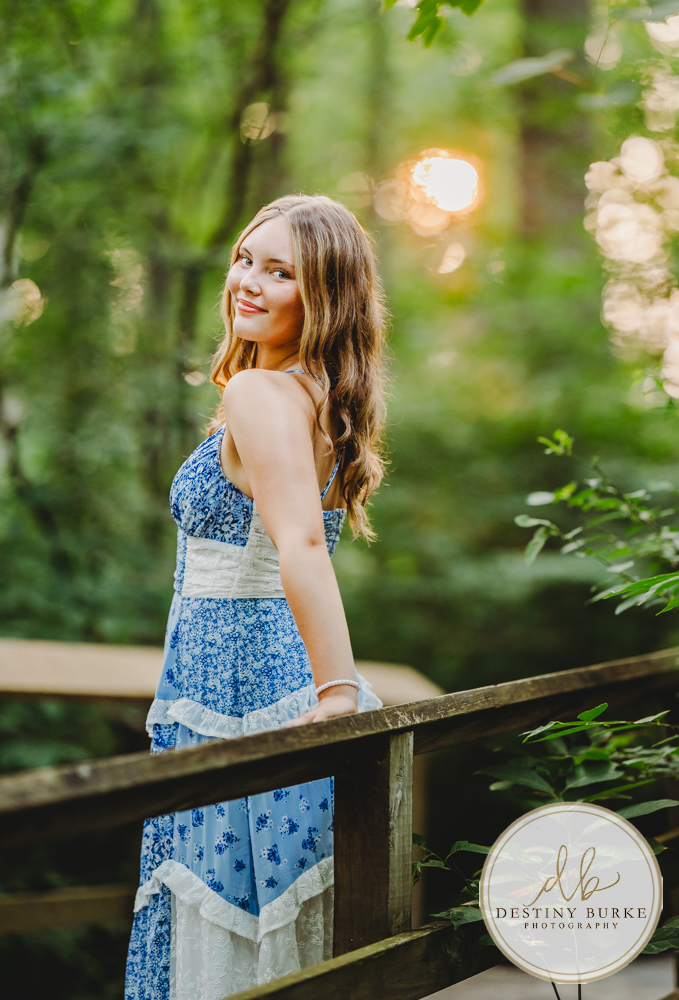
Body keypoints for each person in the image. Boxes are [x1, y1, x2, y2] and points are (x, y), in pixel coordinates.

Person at [125, 195, 387, 1000]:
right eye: (246, 259)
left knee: (233, 921)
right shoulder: (318, 394)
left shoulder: (259, 394)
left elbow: (301, 547)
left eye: (280, 272)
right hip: (251, 684)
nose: (248, 282)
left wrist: (337, 692)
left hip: (240, 692)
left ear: (323, 296)